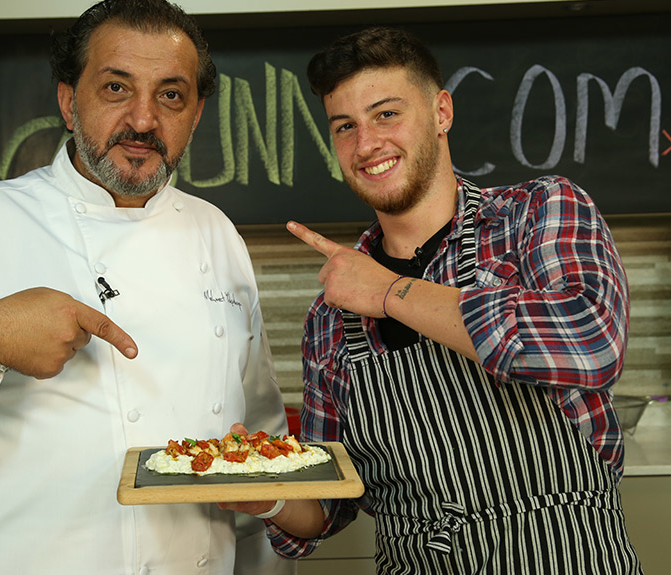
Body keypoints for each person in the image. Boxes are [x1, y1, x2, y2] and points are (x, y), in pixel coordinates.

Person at [0, 1, 294, 574]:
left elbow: (256, 447)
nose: (144, 121)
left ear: (195, 115)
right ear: (69, 101)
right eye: (116, 88)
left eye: (170, 94)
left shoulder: (217, 234)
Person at [219, 26, 643, 574]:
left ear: (442, 111)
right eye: (345, 126)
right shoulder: (330, 317)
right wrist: (263, 490)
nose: (366, 143)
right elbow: (328, 501)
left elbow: (590, 342)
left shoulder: (535, 214)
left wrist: (391, 292)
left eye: (386, 114)